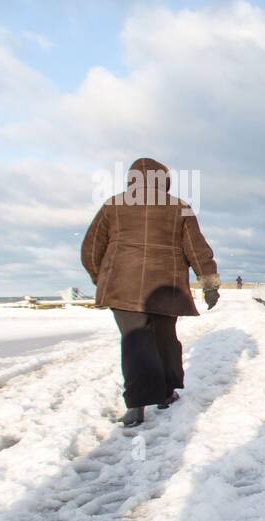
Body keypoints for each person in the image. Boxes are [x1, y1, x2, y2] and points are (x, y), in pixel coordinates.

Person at [81, 158, 219, 427]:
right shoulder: (179, 207)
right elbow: (197, 249)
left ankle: (136, 405)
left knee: (136, 343)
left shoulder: (113, 205)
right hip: (165, 287)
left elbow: (91, 249)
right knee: (165, 339)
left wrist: (104, 278)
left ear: (132, 179)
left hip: (122, 287)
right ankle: (166, 394)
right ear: (164, 180)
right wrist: (210, 284)